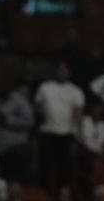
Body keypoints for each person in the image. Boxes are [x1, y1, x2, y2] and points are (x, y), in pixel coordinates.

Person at [35, 62, 85, 193]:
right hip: (48, 132)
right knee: (45, 168)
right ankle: (43, 194)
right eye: (60, 70)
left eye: (65, 70)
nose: (62, 72)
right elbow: (38, 106)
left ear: (69, 73)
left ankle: (62, 197)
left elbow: (78, 113)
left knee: (64, 170)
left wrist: (79, 134)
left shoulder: (76, 91)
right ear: (56, 71)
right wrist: (42, 111)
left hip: (66, 135)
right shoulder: (45, 87)